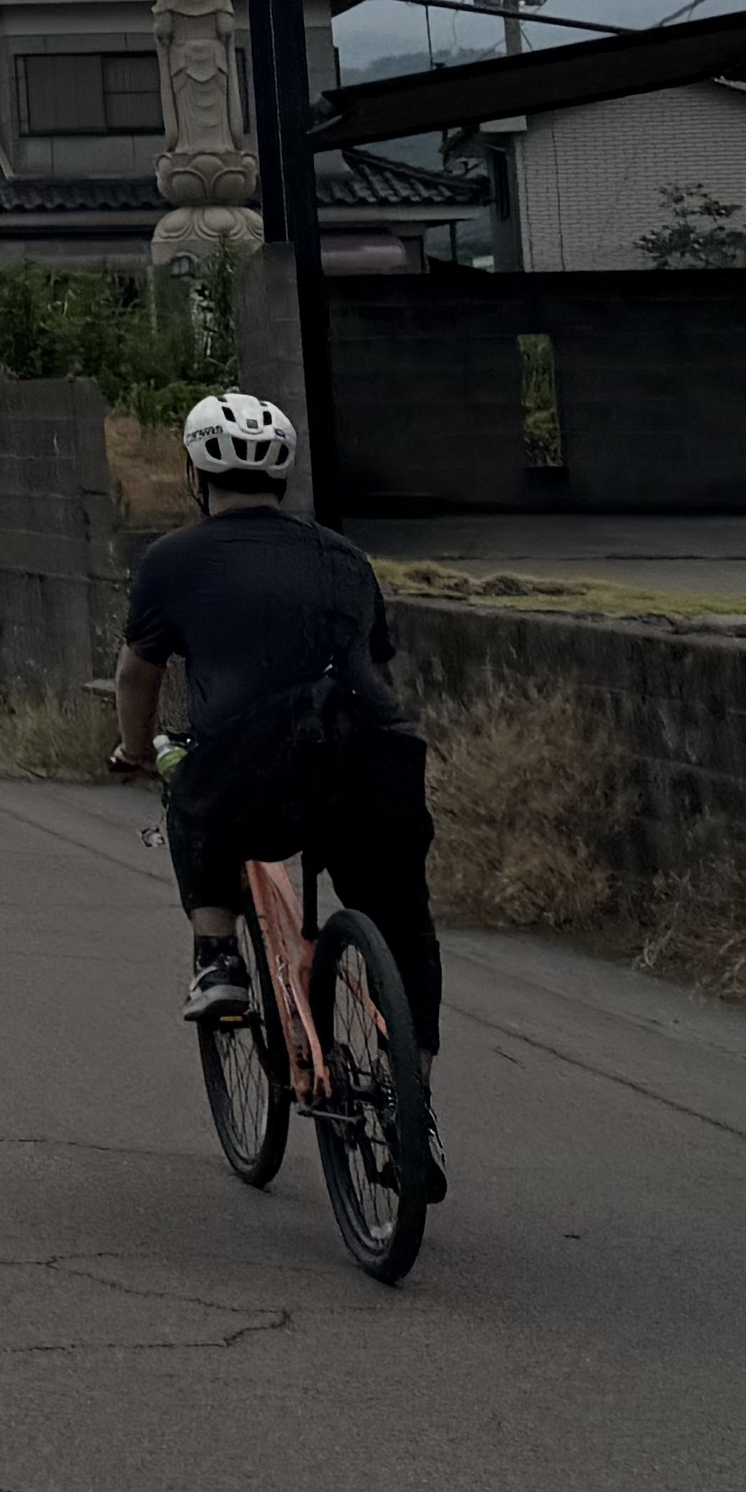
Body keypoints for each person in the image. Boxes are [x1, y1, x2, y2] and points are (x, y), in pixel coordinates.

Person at [116, 388, 442, 1177]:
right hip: (373, 752)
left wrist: (133, 751)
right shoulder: (344, 557)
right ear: (284, 479)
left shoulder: (171, 560)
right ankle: (411, 1106)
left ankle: (218, 959)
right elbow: (375, 663)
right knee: (401, 920)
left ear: (198, 475)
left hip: (253, 760)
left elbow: (137, 674)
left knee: (192, 797)